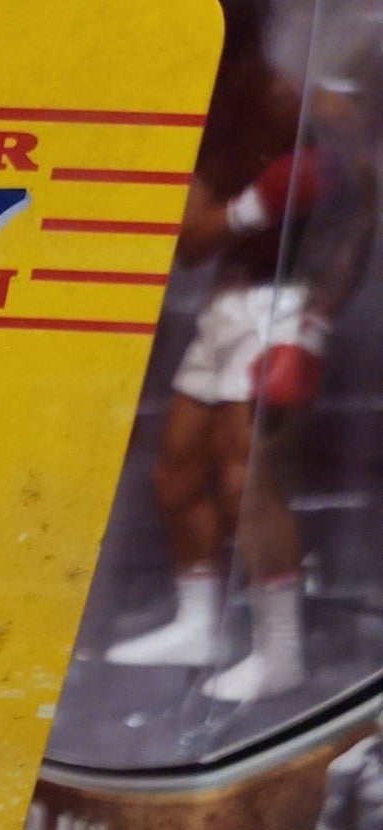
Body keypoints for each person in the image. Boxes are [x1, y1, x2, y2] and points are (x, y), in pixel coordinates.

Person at [106, 0, 373, 701]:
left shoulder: (312, 111)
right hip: (225, 305)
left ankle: (281, 655)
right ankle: (199, 626)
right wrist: (257, 203)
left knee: (248, 481)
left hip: (284, 305)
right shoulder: (208, 115)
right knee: (176, 471)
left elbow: (356, 225)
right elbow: (192, 244)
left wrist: (311, 328)